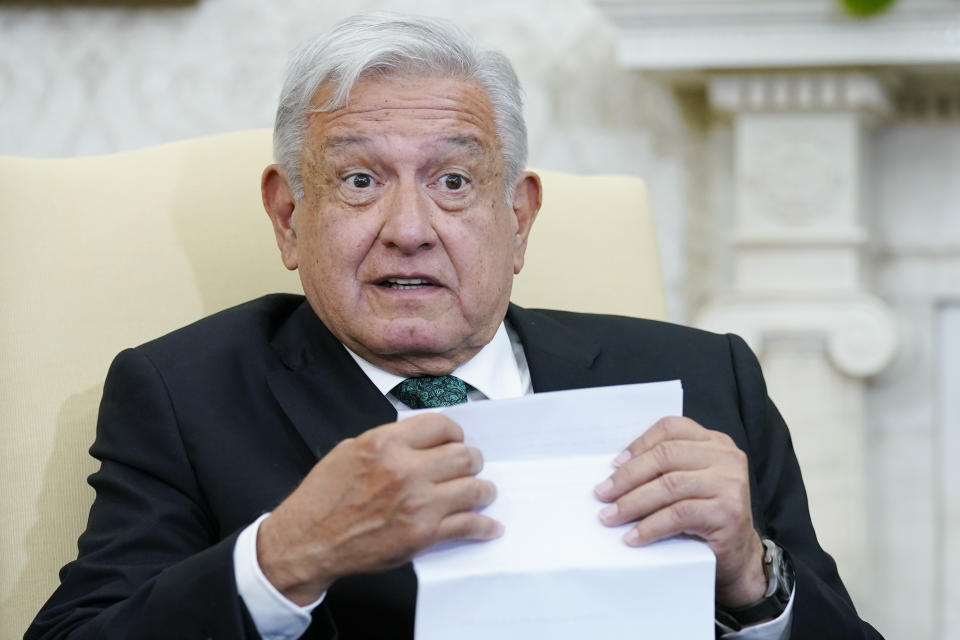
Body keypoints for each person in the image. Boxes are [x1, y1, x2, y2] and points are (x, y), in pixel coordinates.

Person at [26, 13, 882, 640]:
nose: (408, 227)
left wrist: (751, 581)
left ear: (520, 216)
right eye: (359, 181)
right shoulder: (185, 396)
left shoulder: (705, 377)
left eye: (454, 182)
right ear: (289, 218)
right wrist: (284, 557)